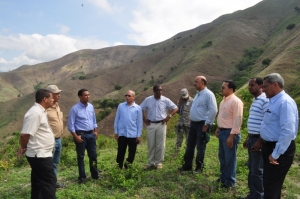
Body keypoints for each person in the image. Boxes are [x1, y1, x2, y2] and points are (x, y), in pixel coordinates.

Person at [260, 73, 298, 199]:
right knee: (269, 184)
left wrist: (275, 154)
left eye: (265, 86)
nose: (263, 89)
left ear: (275, 84)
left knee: (272, 186)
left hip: (279, 151)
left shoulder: (285, 103)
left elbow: (288, 132)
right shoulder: (272, 101)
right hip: (269, 147)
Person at [17, 89, 56, 199]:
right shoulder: (35, 113)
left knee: (38, 183)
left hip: (40, 154)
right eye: (51, 97)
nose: (53, 100)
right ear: (45, 99)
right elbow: (24, 135)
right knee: (49, 183)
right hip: (39, 155)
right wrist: (23, 147)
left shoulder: (41, 111)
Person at [178, 76, 218, 173]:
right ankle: (187, 165)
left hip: (202, 124)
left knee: (200, 146)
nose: (194, 83)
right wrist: (192, 118)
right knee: (190, 145)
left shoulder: (208, 94)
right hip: (193, 124)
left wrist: (207, 123)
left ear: (203, 83)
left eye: (196, 81)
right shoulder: (198, 94)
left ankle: (199, 167)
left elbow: (214, 110)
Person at [241, 77, 269, 199]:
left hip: (259, 139)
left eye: (252, 85)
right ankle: (253, 193)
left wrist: (259, 141)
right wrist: (248, 137)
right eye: (249, 85)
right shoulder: (255, 100)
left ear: (260, 86)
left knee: (257, 170)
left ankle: (258, 195)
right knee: (251, 167)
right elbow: (255, 122)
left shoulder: (265, 100)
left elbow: (266, 122)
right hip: (253, 138)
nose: (250, 87)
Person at [140, 85, 178, 170]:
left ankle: (159, 163)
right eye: (158, 91)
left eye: (161, 90)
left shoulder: (165, 100)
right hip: (151, 124)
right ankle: (150, 163)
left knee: (160, 145)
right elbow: (140, 108)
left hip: (161, 124)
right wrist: (144, 119)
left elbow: (175, 108)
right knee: (151, 144)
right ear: (154, 91)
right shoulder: (148, 100)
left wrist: (169, 117)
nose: (160, 92)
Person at [215, 80, 243, 189]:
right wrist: (218, 127)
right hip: (223, 131)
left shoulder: (236, 102)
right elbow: (222, 116)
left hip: (230, 133)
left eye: (223, 88)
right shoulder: (223, 101)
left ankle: (230, 182)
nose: (221, 89)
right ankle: (223, 178)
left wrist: (232, 136)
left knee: (230, 158)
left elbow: (237, 120)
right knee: (222, 157)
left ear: (230, 89)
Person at [67, 88, 99, 184]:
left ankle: (95, 174)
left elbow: (94, 120)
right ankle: (82, 176)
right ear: (80, 96)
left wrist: (95, 131)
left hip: (91, 134)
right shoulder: (74, 109)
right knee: (81, 156)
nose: (88, 96)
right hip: (81, 135)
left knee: (93, 156)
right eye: (85, 95)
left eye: (88, 95)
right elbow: (70, 125)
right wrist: (75, 136)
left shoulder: (91, 107)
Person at [114, 90, 143, 169]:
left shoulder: (137, 108)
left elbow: (139, 122)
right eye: (126, 95)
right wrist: (116, 132)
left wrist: (138, 135)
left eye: (129, 96)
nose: (127, 97)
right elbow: (117, 119)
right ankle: (118, 168)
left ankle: (127, 166)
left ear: (134, 97)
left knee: (132, 153)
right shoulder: (121, 106)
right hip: (122, 133)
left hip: (132, 134)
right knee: (120, 152)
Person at [46, 85, 65, 189]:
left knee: (54, 163)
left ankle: (53, 183)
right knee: (48, 164)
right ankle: (48, 185)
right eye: (56, 93)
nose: (59, 95)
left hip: (58, 139)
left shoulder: (57, 105)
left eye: (59, 93)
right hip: (50, 141)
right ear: (50, 95)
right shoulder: (45, 109)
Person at [175, 88, 193, 153]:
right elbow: (177, 112)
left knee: (189, 140)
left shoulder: (192, 101)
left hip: (189, 124)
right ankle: (176, 153)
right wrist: (178, 104)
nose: (184, 98)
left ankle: (188, 153)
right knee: (179, 140)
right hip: (181, 123)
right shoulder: (181, 101)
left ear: (188, 93)